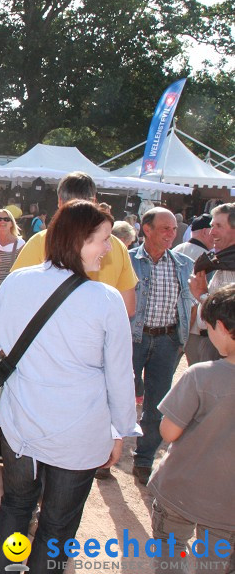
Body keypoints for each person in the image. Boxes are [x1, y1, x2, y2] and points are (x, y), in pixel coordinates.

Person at [0, 200, 139, 574]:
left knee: (15, 507)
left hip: (20, 426)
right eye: (103, 240)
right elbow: (119, 375)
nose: (108, 249)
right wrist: (120, 430)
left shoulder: (17, 282)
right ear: (77, 240)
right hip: (78, 434)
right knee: (57, 526)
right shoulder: (106, 300)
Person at [148, 284, 235, 574]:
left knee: (170, 558)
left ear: (221, 327)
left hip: (180, 489)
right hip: (228, 507)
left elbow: (169, 432)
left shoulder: (201, 375)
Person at [125, 208, 194, 485]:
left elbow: (189, 302)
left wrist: (180, 340)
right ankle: (106, 455)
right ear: (147, 229)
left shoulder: (183, 264)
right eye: (164, 228)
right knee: (118, 396)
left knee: (157, 403)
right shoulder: (128, 261)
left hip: (166, 341)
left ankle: (143, 460)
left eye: (174, 229)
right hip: (132, 339)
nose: (170, 234)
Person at [11, 172, 138, 317]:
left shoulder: (41, 241)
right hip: (97, 334)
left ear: (59, 201)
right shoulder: (115, 245)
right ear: (95, 201)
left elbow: (18, 296)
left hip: (51, 334)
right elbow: (128, 308)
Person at [188, 204, 235, 365]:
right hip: (215, 346)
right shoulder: (223, 262)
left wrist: (202, 295)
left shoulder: (229, 263)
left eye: (219, 226)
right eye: (212, 226)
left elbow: (228, 316)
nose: (211, 232)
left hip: (226, 352)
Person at [173, 213, 212, 365]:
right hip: (195, 328)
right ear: (204, 231)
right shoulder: (206, 257)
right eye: (213, 228)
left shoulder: (176, 249)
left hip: (173, 323)